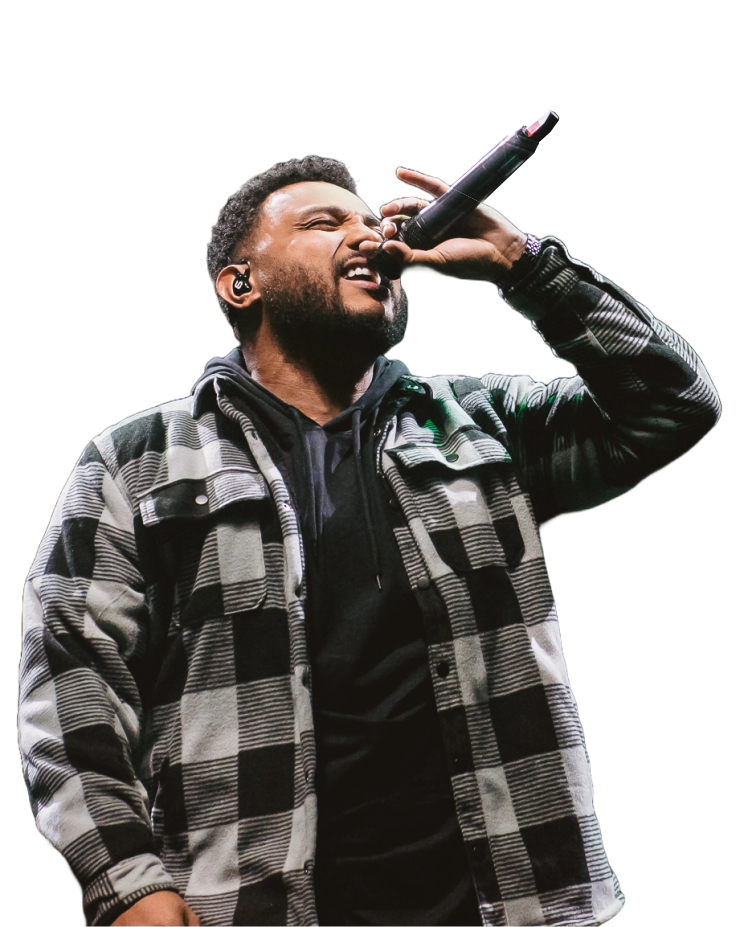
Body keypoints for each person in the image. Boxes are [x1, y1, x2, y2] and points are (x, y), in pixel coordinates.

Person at [18, 153, 721, 927]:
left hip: (508, 906)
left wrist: (524, 265)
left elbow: (676, 403)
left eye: (372, 222)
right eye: (326, 223)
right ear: (240, 284)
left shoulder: (484, 426)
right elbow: (72, 679)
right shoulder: (137, 463)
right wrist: (124, 878)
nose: (373, 237)